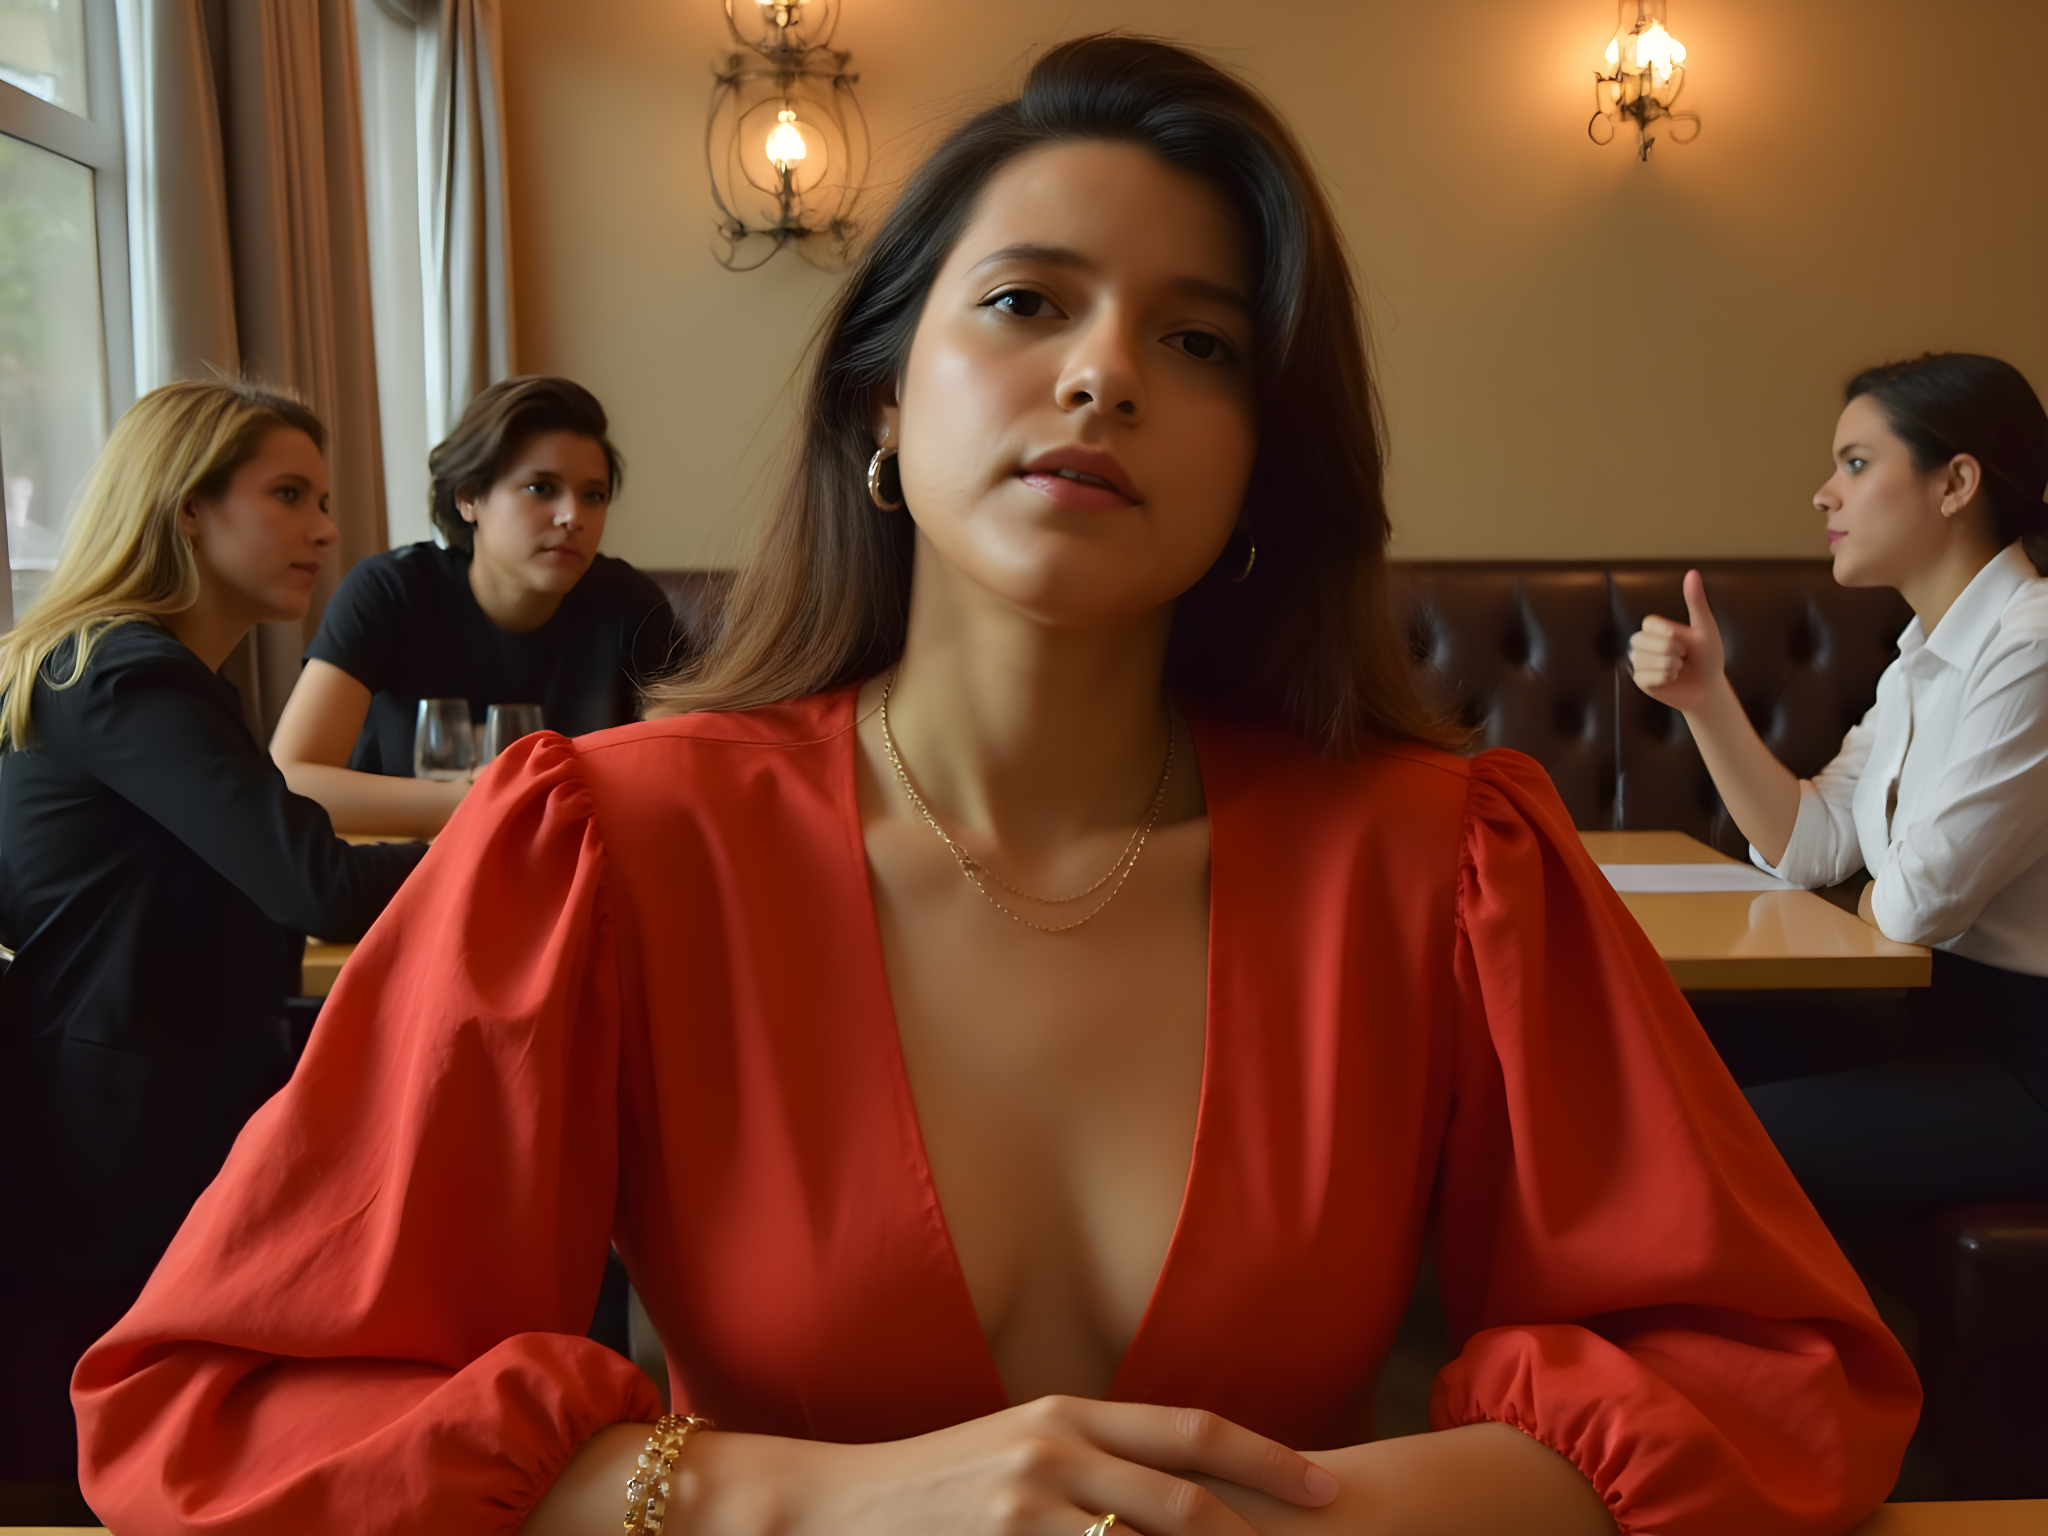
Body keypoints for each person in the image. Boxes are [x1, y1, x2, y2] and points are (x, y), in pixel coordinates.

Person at [75, 39, 1917, 1536]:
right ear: (880, 403)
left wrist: (1287, 1519)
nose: (1105, 372)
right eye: (1028, 301)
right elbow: (226, 1415)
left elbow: (1774, 1379)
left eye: (1199, 344)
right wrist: (786, 1502)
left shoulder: (1446, 862)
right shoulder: (605, 842)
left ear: (1261, 464)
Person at [0, 380, 424, 1505]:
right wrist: (527, 832)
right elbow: (318, 882)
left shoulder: (111, 670)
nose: (326, 530)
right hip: (109, 1153)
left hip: (128, 1119)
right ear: (187, 509)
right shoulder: (126, 674)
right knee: (92, 1481)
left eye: (321, 499)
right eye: (288, 495)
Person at [1628, 353, 2048, 1224]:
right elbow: (1813, 847)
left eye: (1856, 464)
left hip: (2026, 1064)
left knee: (1707, 1138)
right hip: (1944, 1029)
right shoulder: (1918, 663)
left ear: (1956, 482)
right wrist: (1704, 701)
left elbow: (1918, 905)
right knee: (1653, 1048)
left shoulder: (2035, 641)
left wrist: (1875, 900)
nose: (1825, 493)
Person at [269, 375, 683, 835]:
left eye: (594, 496)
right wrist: (486, 801)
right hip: (409, 870)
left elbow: (681, 769)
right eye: (540, 488)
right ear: (468, 497)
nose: (573, 517)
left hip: (572, 873)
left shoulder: (630, 604)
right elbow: (293, 779)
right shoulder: (393, 590)